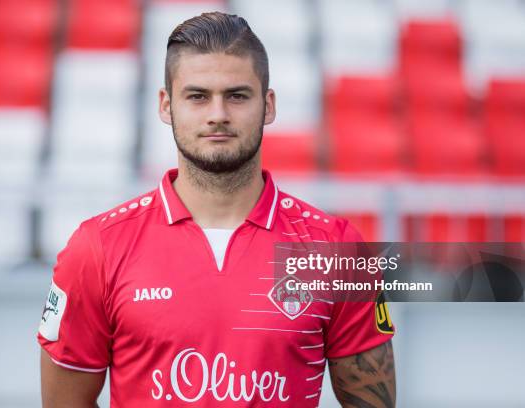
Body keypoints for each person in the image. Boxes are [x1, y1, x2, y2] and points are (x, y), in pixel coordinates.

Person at [38, 11, 396, 407]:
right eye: (197, 96)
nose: (218, 114)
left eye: (237, 96)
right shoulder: (97, 248)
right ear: (165, 105)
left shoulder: (334, 249)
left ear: (269, 105)